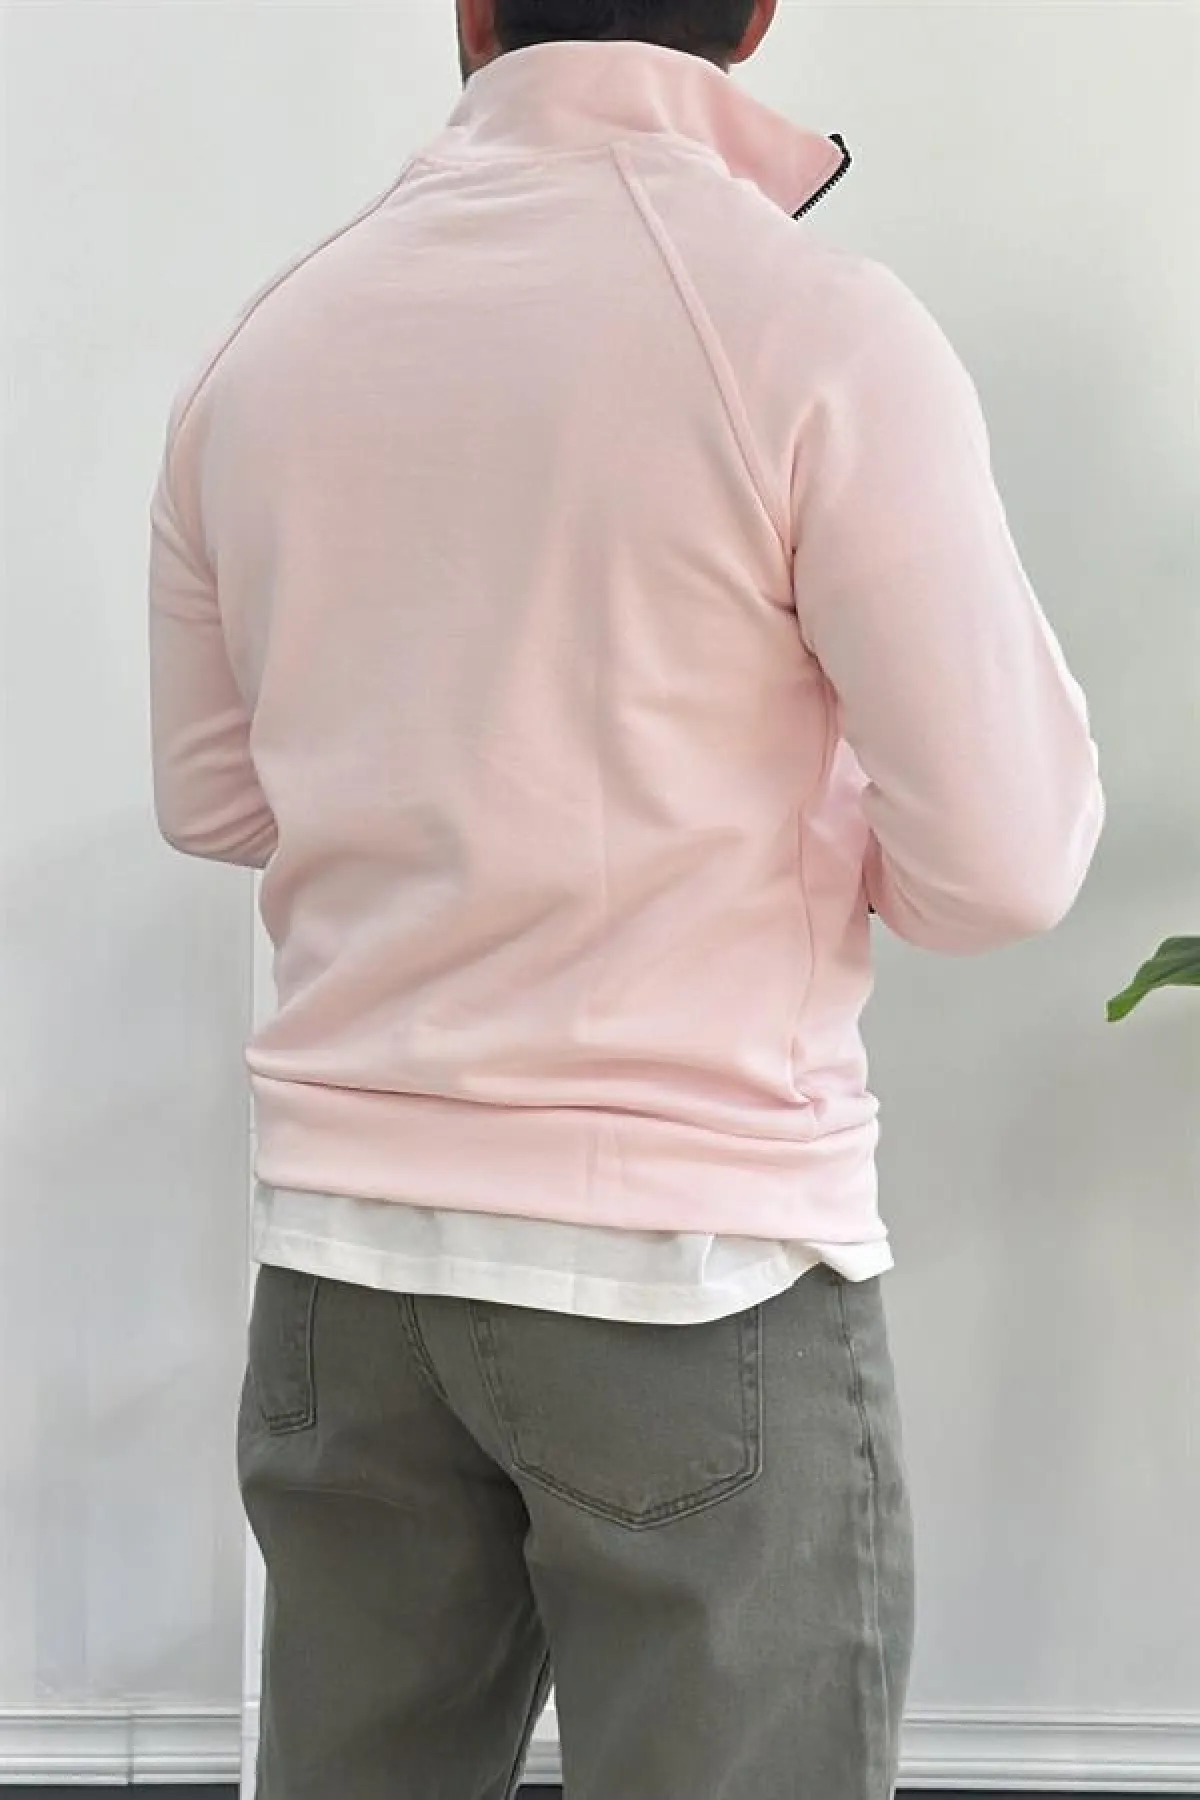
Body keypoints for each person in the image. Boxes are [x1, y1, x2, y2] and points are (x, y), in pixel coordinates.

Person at [147, 1, 1106, 1794]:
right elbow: (1004, 858)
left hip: (343, 1267)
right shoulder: (813, 330)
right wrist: (783, 832)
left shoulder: (270, 341)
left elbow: (213, 799)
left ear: (469, 10)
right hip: (691, 1260)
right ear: (755, 14)